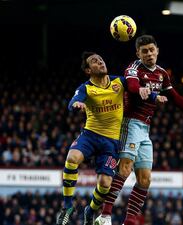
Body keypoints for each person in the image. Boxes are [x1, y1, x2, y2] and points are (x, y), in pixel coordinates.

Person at [94, 34, 183, 225]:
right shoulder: (133, 68)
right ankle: (104, 216)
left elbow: (176, 98)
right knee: (125, 168)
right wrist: (146, 93)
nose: (149, 54)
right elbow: (132, 85)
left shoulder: (162, 73)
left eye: (152, 50)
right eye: (144, 51)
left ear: (157, 51)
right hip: (130, 123)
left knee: (145, 179)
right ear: (138, 53)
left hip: (145, 128)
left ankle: (128, 222)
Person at [56, 52, 160, 225]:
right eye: (94, 62)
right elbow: (72, 102)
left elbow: (135, 87)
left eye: (101, 59)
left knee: (105, 184)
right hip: (90, 135)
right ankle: (67, 207)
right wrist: (77, 104)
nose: (100, 62)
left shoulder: (119, 82)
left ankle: (90, 210)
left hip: (111, 143)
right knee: (72, 158)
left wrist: (154, 95)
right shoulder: (86, 88)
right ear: (89, 70)